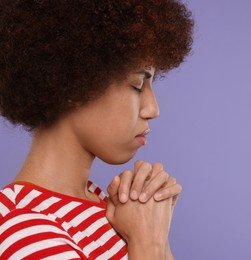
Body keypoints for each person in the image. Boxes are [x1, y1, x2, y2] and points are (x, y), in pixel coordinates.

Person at [0, 0, 194, 259]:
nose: (153, 109)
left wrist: (153, 227)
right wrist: (149, 243)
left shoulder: (105, 206)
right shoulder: (23, 232)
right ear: (73, 84)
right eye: (137, 85)